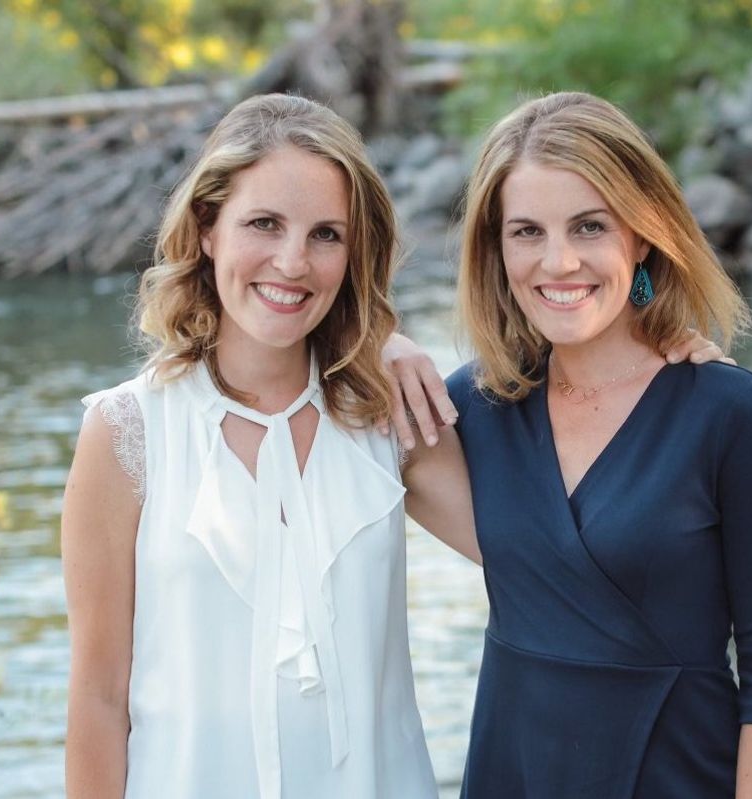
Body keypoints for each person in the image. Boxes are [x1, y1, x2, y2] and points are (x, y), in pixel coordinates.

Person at [61, 93, 475, 799]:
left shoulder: (388, 412)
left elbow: (544, 551)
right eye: (264, 223)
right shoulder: (128, 431)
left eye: (326, 235)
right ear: (209, 227)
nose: (292, 261)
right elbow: (100, 697)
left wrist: (656, 351)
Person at [439, 91, 752, 798]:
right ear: (495, 248)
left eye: (589, 227)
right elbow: (325, 407)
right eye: (526, 232)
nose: (558, 262)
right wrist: (395, 349)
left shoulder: (728, 412)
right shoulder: (471, 407)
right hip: (511, 774)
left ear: (641, 233)